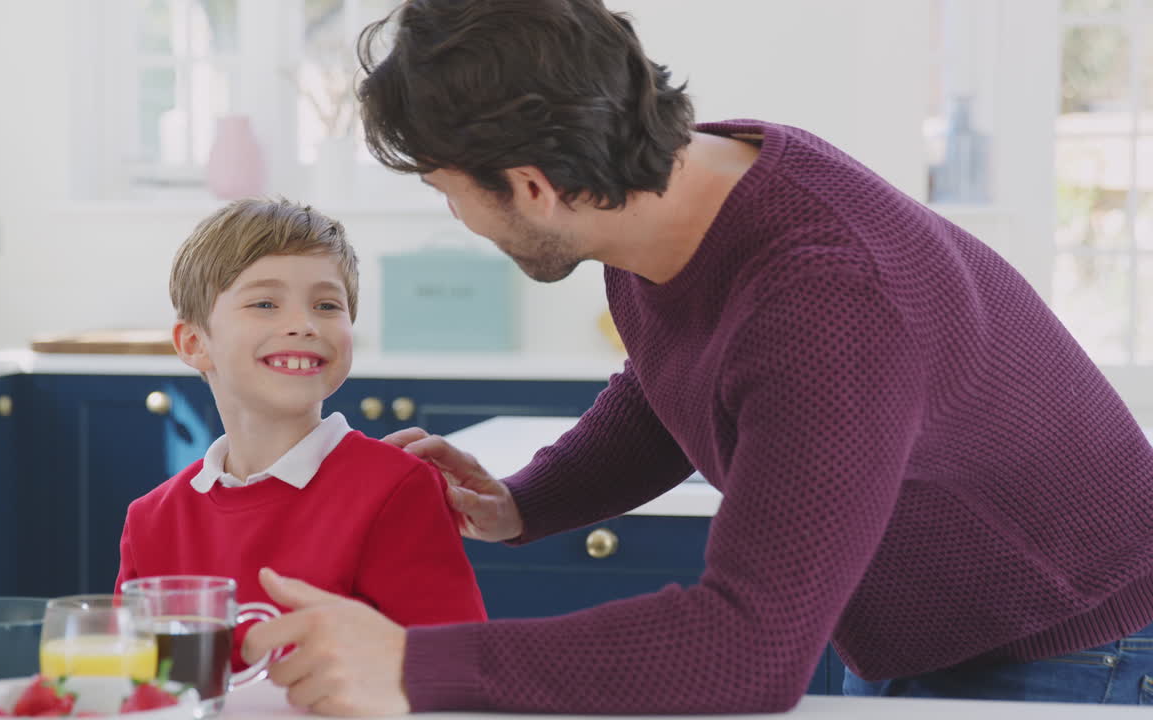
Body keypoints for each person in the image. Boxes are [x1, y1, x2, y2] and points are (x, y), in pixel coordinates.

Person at [240, 0, 1153, 715]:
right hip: (939, 630)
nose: (459, 220)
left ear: (533, 187)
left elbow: (750, 645)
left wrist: (409, 662)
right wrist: (520, 503)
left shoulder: (828, 303)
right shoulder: (692, 184)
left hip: (1077, 648)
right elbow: (669, 381)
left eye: (449, 193)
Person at [115, 197, 487, 671]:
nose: (304, 325)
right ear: (194, 343)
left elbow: (457, 672)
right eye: (265, 303)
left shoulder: (397, 489)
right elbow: (138, 687)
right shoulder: (152, 521)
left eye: (327, 305)